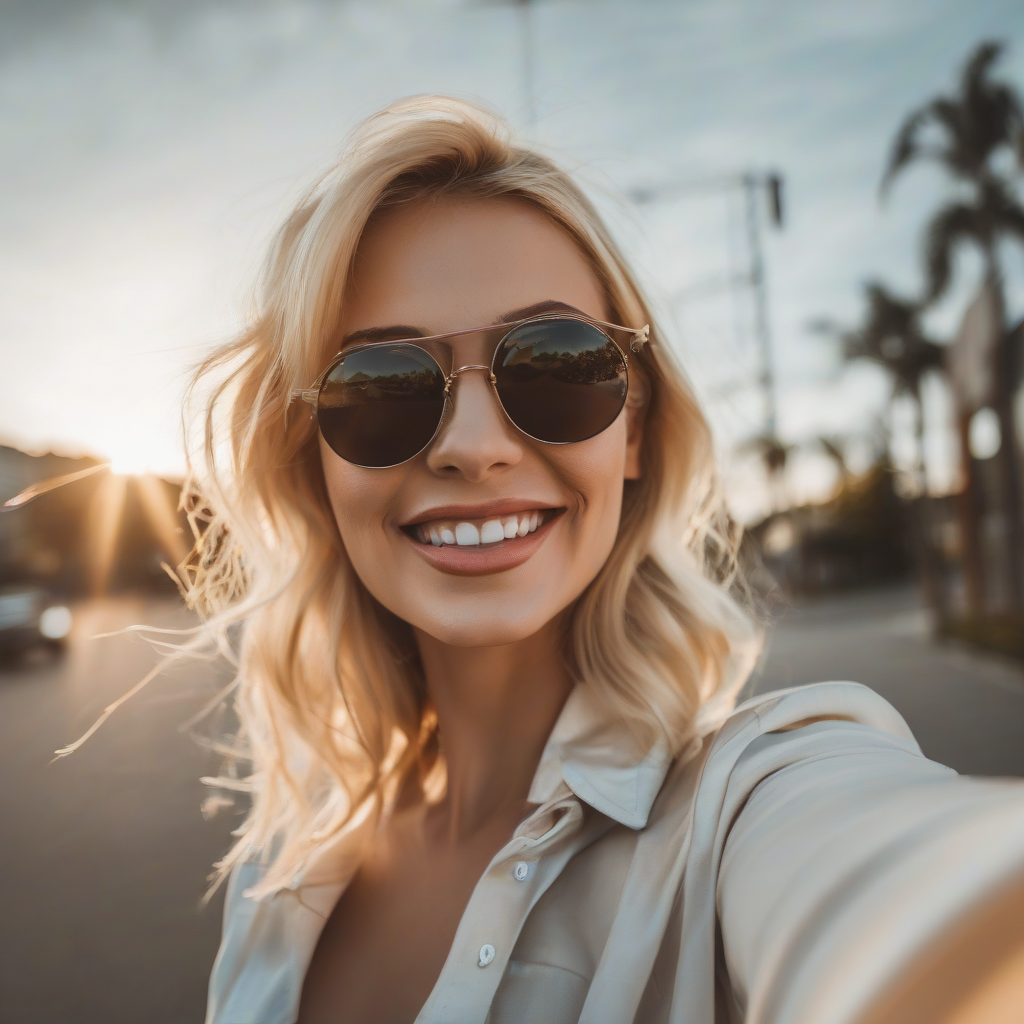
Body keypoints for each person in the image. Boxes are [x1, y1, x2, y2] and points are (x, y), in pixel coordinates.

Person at [192, 97, 1024, 1024]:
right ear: (315, 459)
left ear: (634, 427)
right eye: (377, 387)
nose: (474, 446)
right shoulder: (282, 866)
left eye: (555, 366)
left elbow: (905, 893)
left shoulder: (748, 810)